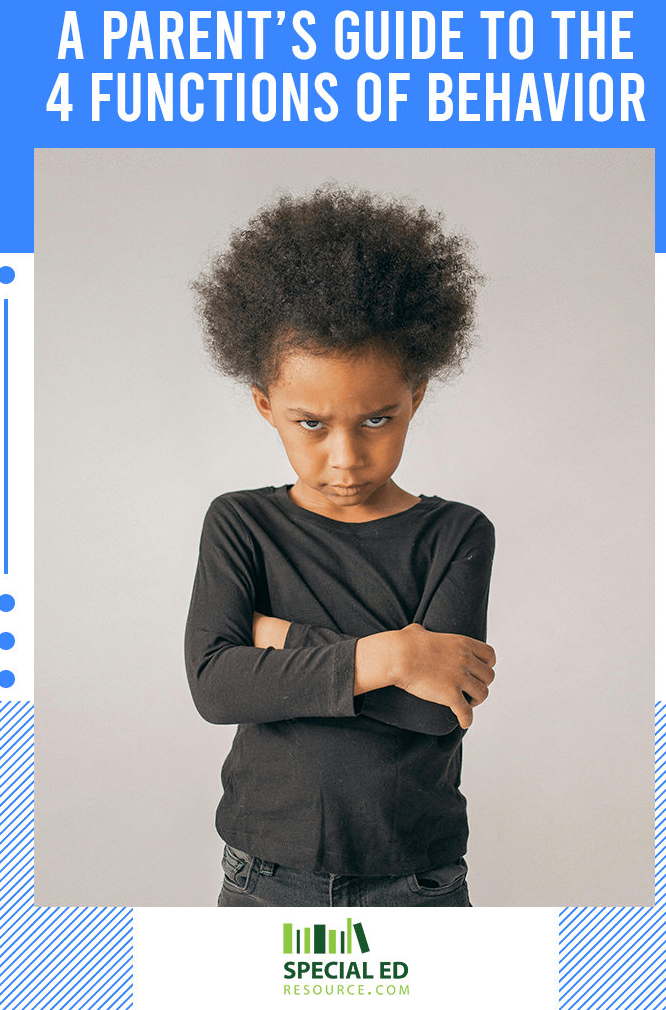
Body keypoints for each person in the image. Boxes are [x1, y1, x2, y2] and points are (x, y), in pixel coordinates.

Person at [185, 184, 496, 907]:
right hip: (265, 870)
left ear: (415, 395)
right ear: (266, 405)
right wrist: (394, 656)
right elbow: (216, 685)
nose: (346, 458)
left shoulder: (455, 533)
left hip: (416, 877)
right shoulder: (240, 524)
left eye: (377, 420)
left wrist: (283, 639)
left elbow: (432, 709)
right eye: (312, 423)